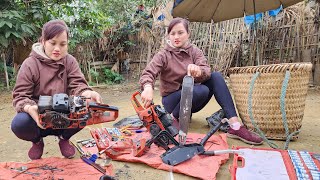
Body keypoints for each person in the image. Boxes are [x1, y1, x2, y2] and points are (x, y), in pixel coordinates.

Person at [139, 17, 263, 145]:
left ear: (188, 34)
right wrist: (148, 87)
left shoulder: (195, 51)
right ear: (169, 36)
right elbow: (148, 72)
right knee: (201, 90)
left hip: (194, 99)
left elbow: (206, 70)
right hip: (173, 101)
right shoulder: (163, 55)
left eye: (180, 32)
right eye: (172, 33)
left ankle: (235, 126)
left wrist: (199, 71)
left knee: (216, 76)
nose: (176, 36)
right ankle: (172, 119)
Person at [11, 20, 102, 160]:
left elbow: (77, 84)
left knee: (87, 111)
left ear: (67, 44)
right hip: (37, 117)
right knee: (19, 123)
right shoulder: (30, 64)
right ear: (43, 41)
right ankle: (36, 141)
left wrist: (87, 93)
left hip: (63, 115)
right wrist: (30, 108)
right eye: (52, 43)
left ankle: (63, 138)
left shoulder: (70, 61)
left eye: (62, 44)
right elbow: (20, 96)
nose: (57, 49)